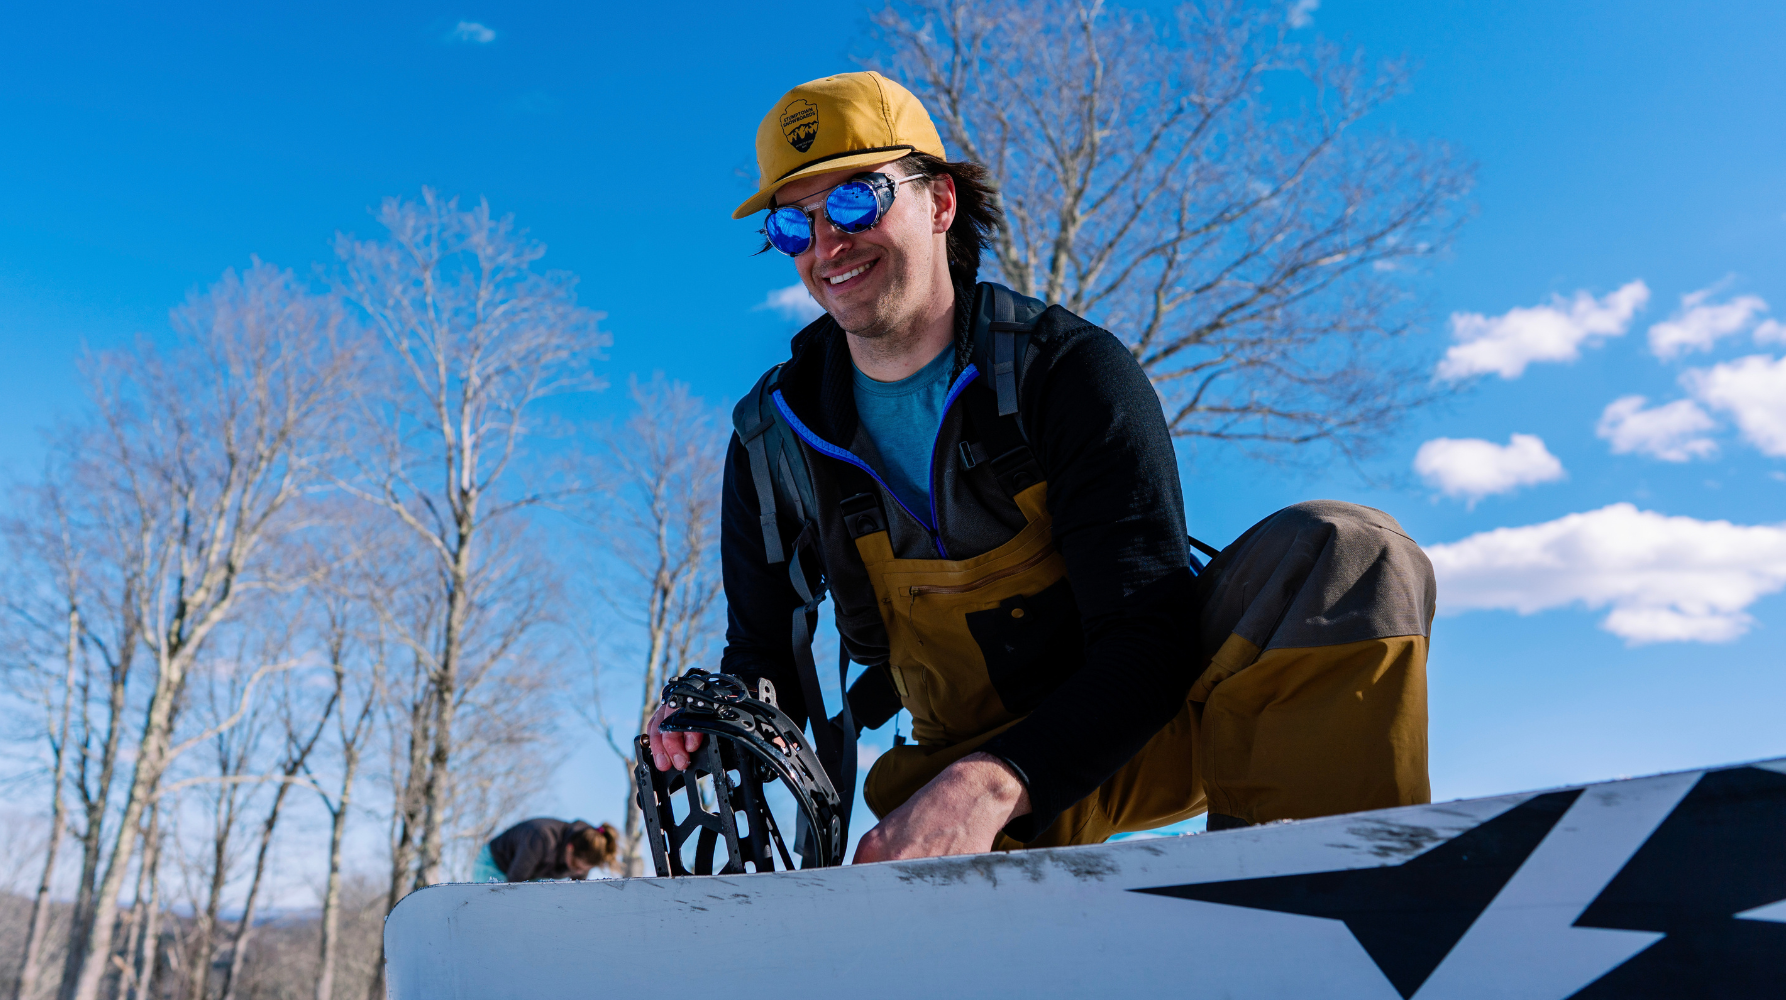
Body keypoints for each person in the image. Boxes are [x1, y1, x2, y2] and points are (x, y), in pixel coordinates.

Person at [645, 71, 1436, 863]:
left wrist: (992, 784)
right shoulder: (771, 440)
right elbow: (763, 658)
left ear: (940, 202)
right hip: (947, 773)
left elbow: (1149, 639)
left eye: (857, 200)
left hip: (1141, 725)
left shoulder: (1066, 373)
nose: (825, 245)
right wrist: (714, 715)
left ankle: (1301, 902)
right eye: (793, 224)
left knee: (1347, 551)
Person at [473, 818, 618, 883]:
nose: (578, 872)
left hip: (532, 873)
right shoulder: (541, 838)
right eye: (576, 866)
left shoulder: (584, 856)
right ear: (570, 847)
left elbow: (577, 894)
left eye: (584, 869)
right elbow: (513, 883)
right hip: (495, 863)